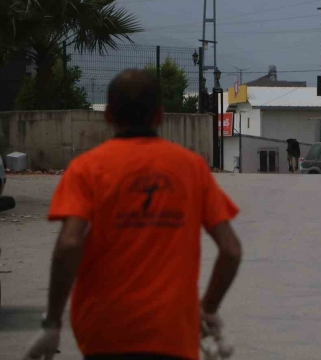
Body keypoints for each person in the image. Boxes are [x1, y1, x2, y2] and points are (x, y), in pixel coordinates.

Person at [23, 69, 242, 360]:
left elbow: (69, 243)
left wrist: (52, 322)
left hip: (104, 333)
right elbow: (231, 250)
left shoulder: (86, 169)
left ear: (109, 115)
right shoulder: (191, 168)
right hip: (173, 333)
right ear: (160, 115)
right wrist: (208, 309)